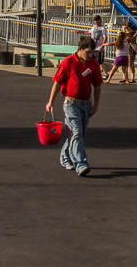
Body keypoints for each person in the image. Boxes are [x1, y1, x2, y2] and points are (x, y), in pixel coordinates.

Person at [43, 36, 104, 177]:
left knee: (78, 134)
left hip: (86, 104)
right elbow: (57, 82)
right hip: (71, 103)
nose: (90, 55)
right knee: (76, 132)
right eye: (88, 52)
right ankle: (81, 164)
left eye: (92, 52)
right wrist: (50, 101)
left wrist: (96, 104)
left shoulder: (93, 64)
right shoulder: (68, 62)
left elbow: (97, 85)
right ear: (79, 49)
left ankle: (65, 157)